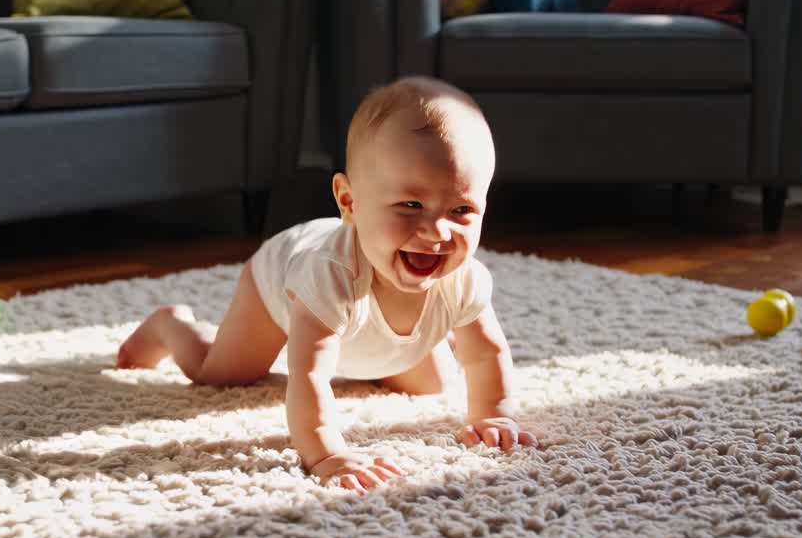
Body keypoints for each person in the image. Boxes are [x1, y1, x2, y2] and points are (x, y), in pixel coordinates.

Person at [117, 76, 537, 494]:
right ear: (349, 202)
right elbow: (309, 375)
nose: (437, 231)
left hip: (371, 316)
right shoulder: (328, 274)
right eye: (411, 205)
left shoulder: (463, 277)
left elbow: (486, 354)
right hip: (277, 283)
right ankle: (170, 325)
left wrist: (494, 415)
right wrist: (327, 455)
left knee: (433, 384)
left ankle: (371, 349)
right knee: (223, 375)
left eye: (462, 209)